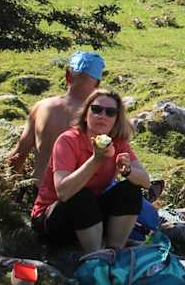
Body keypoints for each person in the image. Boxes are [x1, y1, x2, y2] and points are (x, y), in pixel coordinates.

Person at [30, 89, 151, 252]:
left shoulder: (117, 143)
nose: (102, 115)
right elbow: (64, 192)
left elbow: (146, 182)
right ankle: (96, 255)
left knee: (130, 190)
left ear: (116, 119)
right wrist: (96, 159)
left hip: (88, 215)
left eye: (110, 112)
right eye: (96, 109)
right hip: (53, 218)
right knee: (81, 195)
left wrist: (128, 171)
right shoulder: (68, 140)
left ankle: (115, 249)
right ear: (86, 114)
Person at [6, 51, 106, 183]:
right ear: (97, 83)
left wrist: (7, 192)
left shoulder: (42, 107)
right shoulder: (102, 116)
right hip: (83, 196)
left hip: (42, 193)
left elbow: (19, 155)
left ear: (67, 76)